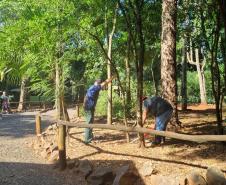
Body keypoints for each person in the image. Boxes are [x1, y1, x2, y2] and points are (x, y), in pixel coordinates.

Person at [83, 76, 115, 144]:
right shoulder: (95, 88)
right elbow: (105, 83)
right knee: (89, 122)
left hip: (88, 107)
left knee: (90, 122)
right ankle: (87, 140)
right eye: (99, 83)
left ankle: (89, 137)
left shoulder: (92, 87)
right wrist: (112, 78)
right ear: (97, 83)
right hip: (89, 108)